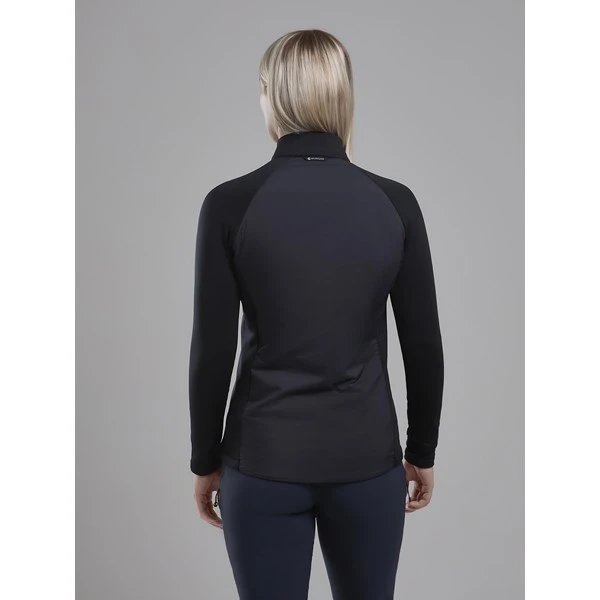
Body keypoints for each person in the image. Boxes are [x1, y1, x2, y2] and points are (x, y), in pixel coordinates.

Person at [188, 28, 444, 600]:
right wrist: (421, 450)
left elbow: (212, 349)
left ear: (270, 95)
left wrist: (204, 459)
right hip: (367, 462)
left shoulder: (230, 204)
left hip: (262, 460)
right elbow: (423, 342)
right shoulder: (395, 202)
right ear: (342, 95)